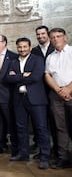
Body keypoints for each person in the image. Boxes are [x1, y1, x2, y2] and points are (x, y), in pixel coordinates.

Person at [5, 37, 50, 169]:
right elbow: (8, 78)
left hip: (36, 99)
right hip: (19, 99)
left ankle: (44, 157)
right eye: (20, 47)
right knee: (21, 128)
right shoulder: (13, 62)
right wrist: (24, 75)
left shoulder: (38, 60)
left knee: (41, 128)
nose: (22, 49)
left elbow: (36, 77)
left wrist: (17, 77)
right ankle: (23, 153)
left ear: (30, 47)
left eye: (25, 46)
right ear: (17, 48)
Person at [45, 28, 72, 169]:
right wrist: (57, 89)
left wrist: (68, 89)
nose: (56, 39)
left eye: (58, 36)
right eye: (53, 37)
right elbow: (47, 75)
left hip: (71, 91)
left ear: (65, 38)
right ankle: (63, 157)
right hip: (56, 95)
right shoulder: (50, 57)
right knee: (60, 127)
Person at [31, 25, 57, 159]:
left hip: (54, 91)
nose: (40, 36)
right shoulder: (34, 51)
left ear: (47, 34)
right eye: (38, 34)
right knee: (40, 124)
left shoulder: (56, 49)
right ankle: (41, 149)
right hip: (38, 91)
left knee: (55, 123)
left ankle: (57, 150)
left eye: (43, 34)